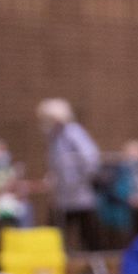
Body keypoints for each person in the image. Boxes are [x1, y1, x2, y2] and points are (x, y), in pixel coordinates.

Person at [38, 98, 100, 252]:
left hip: (78, 193)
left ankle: (98, 266)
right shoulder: (55, 137)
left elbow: (91, 158)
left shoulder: (73, 132)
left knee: (88, 234)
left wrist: (78, 180)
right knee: (56, 232)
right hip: (63, 196)